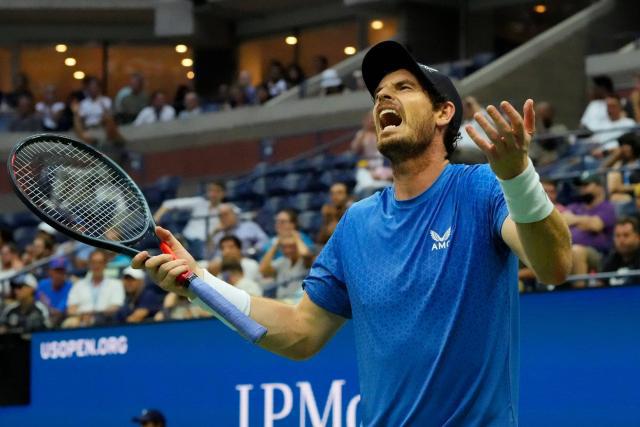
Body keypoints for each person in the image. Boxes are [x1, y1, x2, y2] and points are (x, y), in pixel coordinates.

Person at [133, 40, 571, 425]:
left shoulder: (480, 189)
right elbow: (301, 332)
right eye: (379, 94)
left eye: (403, 88)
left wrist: (518, 178)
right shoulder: (357, 223)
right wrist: (198, 283)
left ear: (443, 112)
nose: (383, 98)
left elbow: (554, 266)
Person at [562, 172, 616, 287]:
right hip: (568, 250)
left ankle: (579, 292)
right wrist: (585, 221)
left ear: (599, 187)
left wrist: (574, 220)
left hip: (599, 255)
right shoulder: (574, 206)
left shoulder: (607, 207)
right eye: (580, 186)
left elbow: (596, 225)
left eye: (586, 185)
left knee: (577, 251)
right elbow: (563, 221)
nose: (582, 188)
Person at [64, 250, 124, 327]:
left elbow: (115, 307)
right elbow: (71, 309)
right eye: (93, 262)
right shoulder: (78, 285)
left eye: (100, 262)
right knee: (70, 322)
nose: (97, 266)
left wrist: (93, 315)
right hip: (80, 321)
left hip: (106, 322)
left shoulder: (116, 284)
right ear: (89, 264)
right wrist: (83, 316)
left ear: (105, 264)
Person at [154, 181, 226, 244]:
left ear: (223, 193)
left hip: (205, 243)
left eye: (217, 191)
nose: (213, 194)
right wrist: (155, 219)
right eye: (211, 190)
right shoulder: (199, 202)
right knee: (168, 219)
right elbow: (168, 204)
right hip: (186, 239)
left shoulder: (228, 209)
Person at [259, 234, 313, 302]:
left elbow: (305, 254)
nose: (288, 250)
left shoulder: (305, 261)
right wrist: (276, 245)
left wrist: (297, 239)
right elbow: (263, 269)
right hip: (282, 302)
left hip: (299, 301)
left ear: (298, 245)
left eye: (292, 246)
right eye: (284, 247)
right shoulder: (282, 261)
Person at [602, 217, 640, 286]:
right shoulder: (611, 259)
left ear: (638, 238)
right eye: (618, 236)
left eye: (626, 235)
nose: (621, 240)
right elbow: (601, 285)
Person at [36, 258, 73, 326]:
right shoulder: (42, 285)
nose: (58, 275)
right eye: (56, 271)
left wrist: (48, 308)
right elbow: (37, 305)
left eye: (61, 272)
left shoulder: (69, 286)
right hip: (43, 320)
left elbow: (59, 312)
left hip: (62, 321)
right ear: (50, 272)